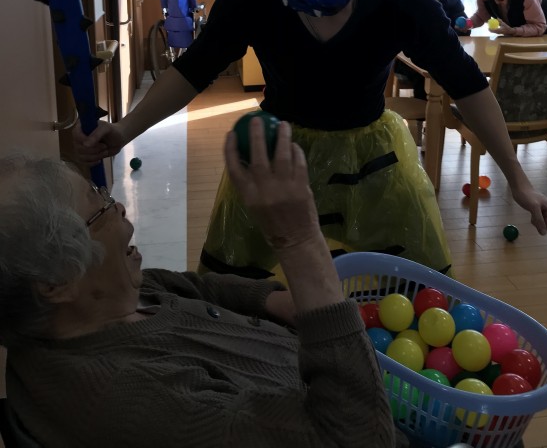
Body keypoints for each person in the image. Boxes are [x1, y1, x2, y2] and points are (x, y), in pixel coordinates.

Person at [74, 0, 547, 283]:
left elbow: (467, 85)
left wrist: (518, 180)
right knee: (245, 293)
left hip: (372, 161)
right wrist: (125, 129)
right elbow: (192, 70)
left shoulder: (400, 1)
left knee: (405, 289)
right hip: (278, 158)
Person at [0, 121, 401, 448]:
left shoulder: (104, 302)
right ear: (57, 282)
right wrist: (300, 241)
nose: (118, 206)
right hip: (358, 414)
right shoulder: (132, 400)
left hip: (347, 386)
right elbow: (357, 439)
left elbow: (193, 289)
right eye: (98, 207)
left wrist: (273, 301)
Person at [394, 0, 470, 100]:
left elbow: (465, 28)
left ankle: (447, 108)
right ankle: (424, 109)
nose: (431, 2)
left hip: (445, 52)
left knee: (462, 68)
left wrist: (464, 27)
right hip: (410, 57)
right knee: (425, 71)